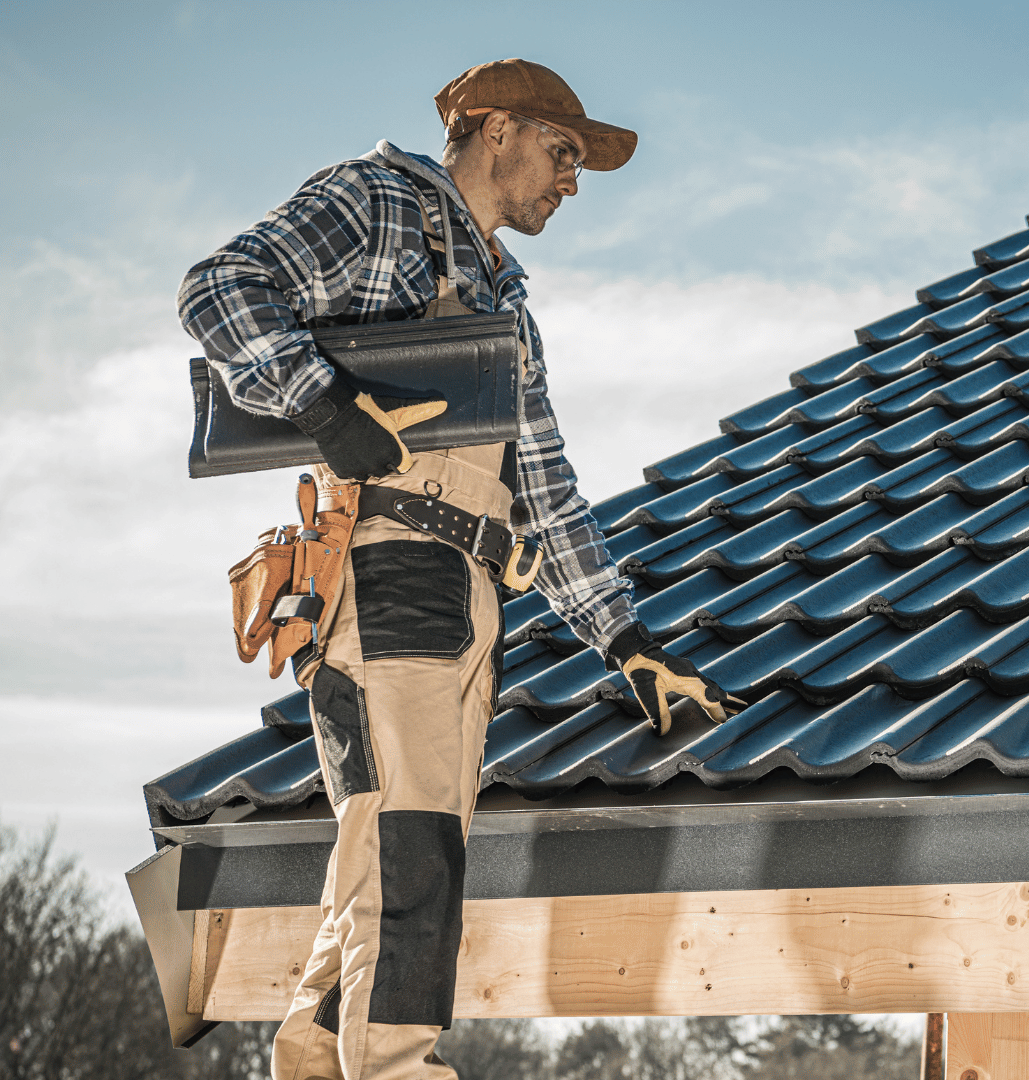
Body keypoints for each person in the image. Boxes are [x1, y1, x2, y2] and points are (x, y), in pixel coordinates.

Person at [178, 59, 742, 1080]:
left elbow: (548, 488)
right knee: (412, 849)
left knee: (380, 866)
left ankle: (316, 1056)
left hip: (470, 597)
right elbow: (219, 289)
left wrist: (628, 641)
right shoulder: (383, 202)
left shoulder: (503, 295)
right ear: (493, 130)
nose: (572, 180)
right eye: (562, 152)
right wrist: (320, 406)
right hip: (393, 580)